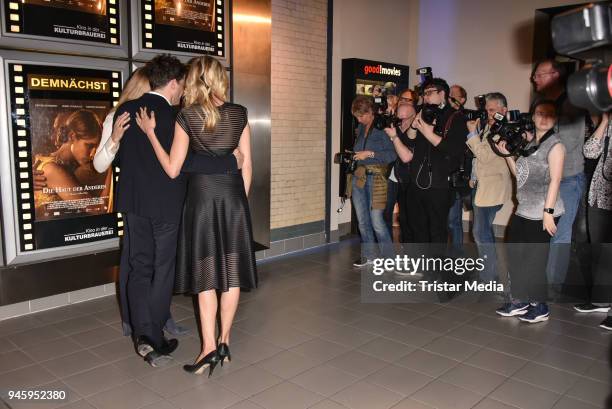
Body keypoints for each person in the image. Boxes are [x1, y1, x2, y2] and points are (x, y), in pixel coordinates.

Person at [114, 54, 242, 367]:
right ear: (173, 83)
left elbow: (117, 159)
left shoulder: (125, 110)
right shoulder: (177, 116)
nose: (183, 88)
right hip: (167, 206)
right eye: (181, 83)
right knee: (162, 270)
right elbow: (187, 163)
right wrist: (230, 162)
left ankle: (143, 335)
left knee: (139, 267)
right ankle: (155, 335)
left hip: (132, 203)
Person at [92, 68, 190, 338]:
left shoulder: (164, 113)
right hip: (154, 203)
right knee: (150, 266)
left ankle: (149, 328)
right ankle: (145, 328)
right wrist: (113, 139)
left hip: (137, 202)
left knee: (144, 266)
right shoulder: (122, 115)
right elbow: (100, 164)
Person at [495, 100, 565, 323]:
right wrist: (507, 155)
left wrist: (548, 212)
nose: (543, 118)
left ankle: (540, 305)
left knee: (535, 259)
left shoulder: (555, 145)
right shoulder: (530, 143)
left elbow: (555, 180)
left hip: (543, 211)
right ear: (533, 117)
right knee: (516, 254)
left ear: (555, 119)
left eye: (549, 114)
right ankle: (521, 300)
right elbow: (520, 175)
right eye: (539, 113)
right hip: (524, 209)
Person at [532, 59, 589, 288]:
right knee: (543, 232)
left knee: (560, 235)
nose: (534, 79)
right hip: (547, 178)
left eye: (539, 75)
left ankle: (551, 287)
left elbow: (569, 143)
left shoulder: (571, 104)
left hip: (567, 179)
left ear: (555, 75)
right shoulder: (544, 103)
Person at [406, 78, 468, 243]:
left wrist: (428, 133)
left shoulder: (455, 117)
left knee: (437, 229)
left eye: (429, 93)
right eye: (424, 94)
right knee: (417, 225)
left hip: (439, 184)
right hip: (417, 180)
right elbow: (410, 141)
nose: (425, 97)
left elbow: (453, 149)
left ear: (442, 94)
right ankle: (420, 263)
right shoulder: (423, 113)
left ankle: (435, 266)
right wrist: (414, 125)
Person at [466, 92, 513, 282]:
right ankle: (488, 271)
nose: (488, 113)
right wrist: (473, 176)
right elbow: (480, 158)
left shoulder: (503, 130)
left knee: (480, 232)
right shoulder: (491, 127)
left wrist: (472, 134)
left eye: (492, 110)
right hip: (483, 184)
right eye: (486, 110)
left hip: (492, 188)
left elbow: (485, 156)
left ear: (504, 110)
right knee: (484, 231)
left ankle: (488, 276)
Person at [347, 95, 397, 267]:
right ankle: (370, 256)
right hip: (360, 176)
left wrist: (369, 154)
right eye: (357, 117)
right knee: (362, 220)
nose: (359, 120)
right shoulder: (362, 128)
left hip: (377, 177)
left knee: (376, 220)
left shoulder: (382, 127)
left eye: (361, 116)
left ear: (370, 112)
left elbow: (392, 155)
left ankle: (389, 258)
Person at [34, 109, 111, 219]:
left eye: (95, 148)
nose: (93, 153)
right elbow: (98, 209)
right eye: (89, 146)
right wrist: (110, 163)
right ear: (72, 136)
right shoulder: (52, 169)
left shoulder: (59, 164)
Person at [573, 112, 612, 330]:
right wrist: (605, 121)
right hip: (598, 195)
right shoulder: (608, 124)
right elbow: (589, 151)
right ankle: (601, 299)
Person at [384, 103, 416, 244]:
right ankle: (387, 251)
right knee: (385, 214)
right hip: (391, 176)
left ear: (413, 116)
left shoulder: (417, 131)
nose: (402, 121)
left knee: (407, 217)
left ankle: (409, 251)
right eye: (399, 118)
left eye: (405, 118)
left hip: (409, 179)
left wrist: (396, 137)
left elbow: (408, 156)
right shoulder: (394, 127)